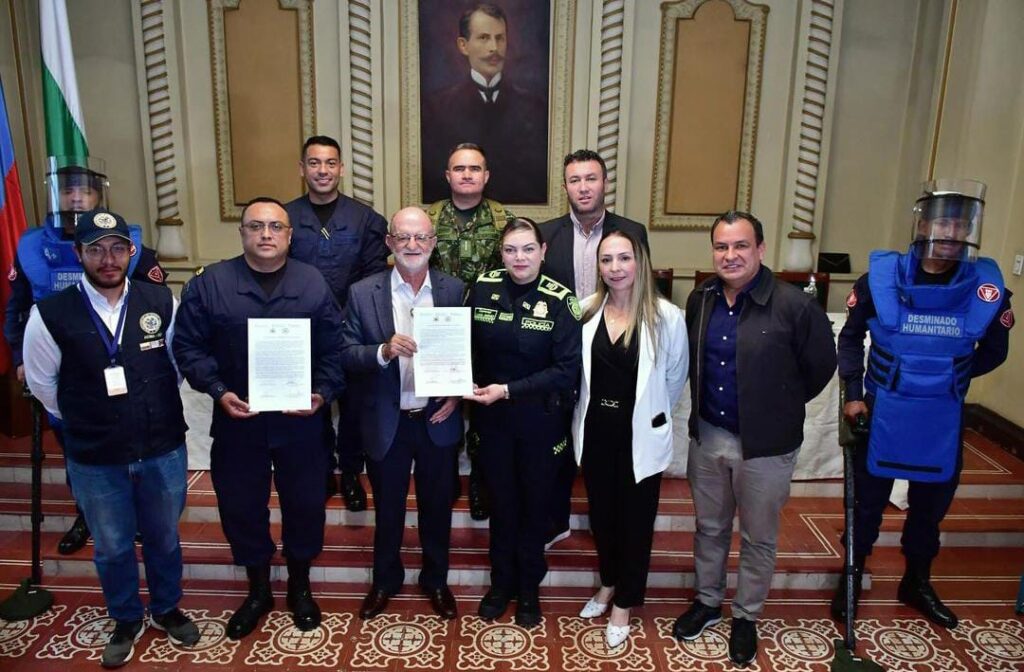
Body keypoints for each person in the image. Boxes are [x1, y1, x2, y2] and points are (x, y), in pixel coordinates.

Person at [831, 180, 1012, 629]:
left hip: (941, 416)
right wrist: (854, 395)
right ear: (924, 223)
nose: (951, 231)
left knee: (931, 503)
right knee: (867, 503)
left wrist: (944, 378)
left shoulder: (984, 287)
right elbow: (851, 338)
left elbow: (994, 349)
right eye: (943, 220)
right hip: (880, 408)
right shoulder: (882, 279)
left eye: (961, 223)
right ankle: (851, 576)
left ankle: (916, 580)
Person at [22, 209, 197, 668]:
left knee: (163, 537)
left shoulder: (159, 301)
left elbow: (175, 366)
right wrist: (90, 418)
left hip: (161, 447)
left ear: (131, 252)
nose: (108, 259)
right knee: (113, 543)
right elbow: (43, 386)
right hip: (96, 456)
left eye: (118, 248)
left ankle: (166, 608)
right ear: (78, 253)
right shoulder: (50, 314)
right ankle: (125, 616)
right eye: (96, 249)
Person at [173, 197, 345, 639]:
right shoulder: (211, 283)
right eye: (256, 226)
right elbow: (189, 347)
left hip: (300, 421)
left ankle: (301, 586)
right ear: (242, 233)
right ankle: (258, 589)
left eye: (275, 227)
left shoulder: (312, 283)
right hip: (238, 419)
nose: (266, 234)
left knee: (306, 504)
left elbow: (334, 350)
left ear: (290, 235)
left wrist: (322, 395)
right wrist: (218, 390)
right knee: (241, 507)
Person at [672, 211, 836, 666]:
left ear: (761, 249)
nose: (730, 255)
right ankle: (707, 602)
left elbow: (820, 367)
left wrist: (776, 404)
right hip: (707, 438)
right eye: (721, 247)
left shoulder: (794, 305)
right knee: (709, 527)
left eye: (740, 246)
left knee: (759, 535)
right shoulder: (700, 298)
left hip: (764, 447)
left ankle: (745, 616)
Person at [4, 157, 166, 557]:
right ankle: (87, 514)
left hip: (132, 378)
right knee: (80, 453)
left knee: (138, 453)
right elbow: (17, 308)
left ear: (98, 196)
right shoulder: (32, 247)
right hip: (64, 369)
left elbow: (158, 313)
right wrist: (18, 356)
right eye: (68, 191)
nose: (76, 198)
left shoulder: (136, 249)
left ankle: (139, 517)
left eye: (85, 191)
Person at [340, 207, 464, 621]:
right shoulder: (363, 292)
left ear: (433, 243)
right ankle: (385, 580)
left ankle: (436, 580)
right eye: (403, 237)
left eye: (422, 238)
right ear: (390, 242)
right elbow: (344, 353)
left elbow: (470, 354)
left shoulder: (454, 289)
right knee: (388, 509)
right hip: (386, 421)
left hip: (436, 419)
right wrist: (383, 350)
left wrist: (457, 395)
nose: (413, 245)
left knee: (437, 508)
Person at [572, 230, 688, 648]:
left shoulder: (666, 317)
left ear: (640, 262)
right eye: (607, 260)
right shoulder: (585, 311)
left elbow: (675, 379)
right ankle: (607, 582)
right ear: (598, 267)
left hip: (640, 434)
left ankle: (625, 600)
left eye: (624, 258)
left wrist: (648, 413)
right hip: (597, 432)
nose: (615, 268)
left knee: (635, 523)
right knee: (602, 518)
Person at [465, 218, 582, 627]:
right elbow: (463, 347)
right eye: (512, 249)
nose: (519, 258)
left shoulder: (561, 300)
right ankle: (501, 585)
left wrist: (509, 389)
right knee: (502, 505)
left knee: (534, 508)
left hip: (540, 423)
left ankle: (529, 588)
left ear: (543, 251)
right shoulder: (481, 288)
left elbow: (567, 370)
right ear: (502, 252)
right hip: (492, 421)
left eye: (528, 249)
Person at [539, 148, 651, 549]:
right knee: (559, 439)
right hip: (562, 355)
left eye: (591, 179)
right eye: (575, 180)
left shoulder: (632, 230)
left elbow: (643, 290)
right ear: (565, 186)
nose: (583, 187)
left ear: (605, 182)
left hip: (612, 354)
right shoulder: (546, 234)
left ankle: (612, 524)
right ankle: (557, 521)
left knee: (608, 442)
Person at [286, 135, 389, 513]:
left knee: (353, 408)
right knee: (308, 404)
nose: (323, 170)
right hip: (301, 330)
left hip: (351, 331)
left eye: (330, 163)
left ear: (341, 169)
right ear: (302, 169)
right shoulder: (284, 219)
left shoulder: (366, 220)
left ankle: (349, 472)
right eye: (314, 163)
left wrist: (348, 319)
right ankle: (319, 470)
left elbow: (373, 278)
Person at [428, 142, 516, 521]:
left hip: (487, 329)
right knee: (441, 404)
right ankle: (445, 477)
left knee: (483, 409)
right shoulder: (426, 218)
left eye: (474, 169)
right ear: (447, 175)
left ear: (486, 176)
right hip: (439, 329)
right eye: (459, 168)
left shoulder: (503, 220)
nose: (467, 174)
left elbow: (516, 273)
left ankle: (480, 482)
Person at [420, 2, 548, 204]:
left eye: (500, 38)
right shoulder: (437, 109)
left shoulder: (534, 107)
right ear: (463, 45)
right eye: (483, 38)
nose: (494, 48)